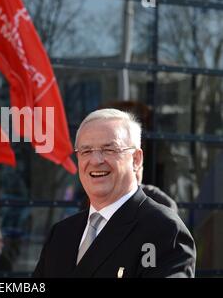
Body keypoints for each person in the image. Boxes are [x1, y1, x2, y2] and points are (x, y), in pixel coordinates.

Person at [33, 109, 196, 278]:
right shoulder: (61, 234)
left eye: (109, 149)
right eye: (86, 151)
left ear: (136, 159)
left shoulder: (163, 229)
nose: (96, 161)